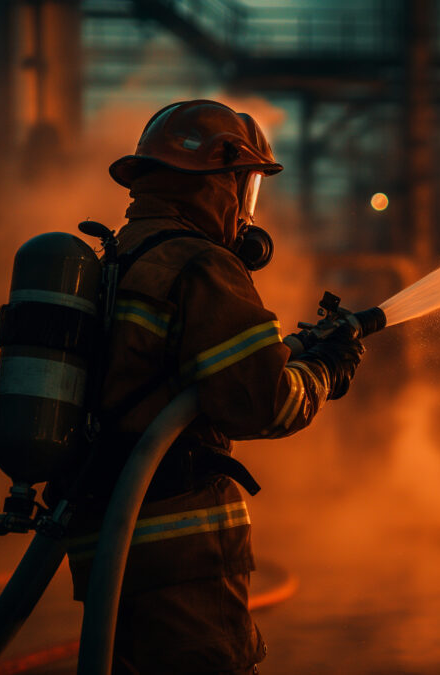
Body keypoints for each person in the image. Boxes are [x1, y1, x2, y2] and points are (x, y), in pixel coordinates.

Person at [59, 100, 364, 673]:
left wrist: (301, 352)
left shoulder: (123, 256)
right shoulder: (202, 264)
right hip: (181, 548)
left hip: (110, 541)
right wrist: (328, 370)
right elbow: (263, 403)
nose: (247, 206)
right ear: (218, 181)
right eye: (245, 182)